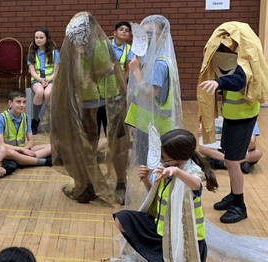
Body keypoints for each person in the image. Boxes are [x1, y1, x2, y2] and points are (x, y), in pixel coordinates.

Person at [112, 130, 230, 262]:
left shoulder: (191, 171)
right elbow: (157, 196)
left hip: (181, 244)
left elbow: (197, 184)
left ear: (180, 160)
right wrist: (145, 179)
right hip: (161, 232)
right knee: (122, 219)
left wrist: (175, 171)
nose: (160, 159)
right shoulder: (165, 167)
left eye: (164, 157)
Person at [49, 12, 128, 205]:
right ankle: (88, 184)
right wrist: (77, 55)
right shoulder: (73, 48)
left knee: (117, 142)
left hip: (111, 99)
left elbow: (109, 71)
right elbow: (70, 77)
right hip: (88, 103)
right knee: (88, 144)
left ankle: (120, 183)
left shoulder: (104, 44)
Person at [198, 22, 268, 223]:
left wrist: (218, 83)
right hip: (232, 116)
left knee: (232, 161)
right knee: (230, 159)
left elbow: (238, 80)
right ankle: (234, 195)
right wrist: (219, 85)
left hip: (243, 117)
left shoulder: (246, 64)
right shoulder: (230, 61)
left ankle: (239, 204)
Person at [124, 16, 183, 207]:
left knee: (153, 168)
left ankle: (155, 206)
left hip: (156, 129)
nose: (146, 38)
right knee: (145, 169)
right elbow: (142, 101)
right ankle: (151, 203)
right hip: (146, 125)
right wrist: (136, 121)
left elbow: (150, 94)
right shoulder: (150, 59)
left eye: (150, 33)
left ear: (163, 37)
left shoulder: (159, 63)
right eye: (144, 34)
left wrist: (135, 71)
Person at [0, 89, 52, 167]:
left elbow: (31, 141)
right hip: (6, 152)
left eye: (24, 102)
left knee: (52, 147)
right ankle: (42, 161)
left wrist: (24, 150)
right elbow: (0, 144)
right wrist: (21, 150)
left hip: (22, 150)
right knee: (11, 153)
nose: (22, 105)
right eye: (18, 102)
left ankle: (24, 160)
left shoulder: (25, 117)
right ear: (10, 103)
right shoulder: (1, 118)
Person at [97, 22, 133, 137]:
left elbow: (128, 70)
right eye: (121, 29)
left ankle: (113, 139)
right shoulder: (104, 45)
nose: (124, 31)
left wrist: (122, 84)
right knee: (101, 110)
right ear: (115, 33)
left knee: (115, 114)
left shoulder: (129, 49)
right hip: (103, 83)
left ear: (129, 35)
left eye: (127, 31)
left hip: (118, 84)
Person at [27, 27, 60, 133]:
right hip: (37, 79)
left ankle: (51, 120)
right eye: (36, 37)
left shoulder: (55, 52)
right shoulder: (31, 53)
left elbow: (56, 71)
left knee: (47, 93)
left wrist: (48, 80)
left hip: (51, 79)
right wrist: (41, 80)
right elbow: (32, 72)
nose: (38, 40)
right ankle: (35, 120)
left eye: (41, 37)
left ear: (47, 38)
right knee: (40, 92)